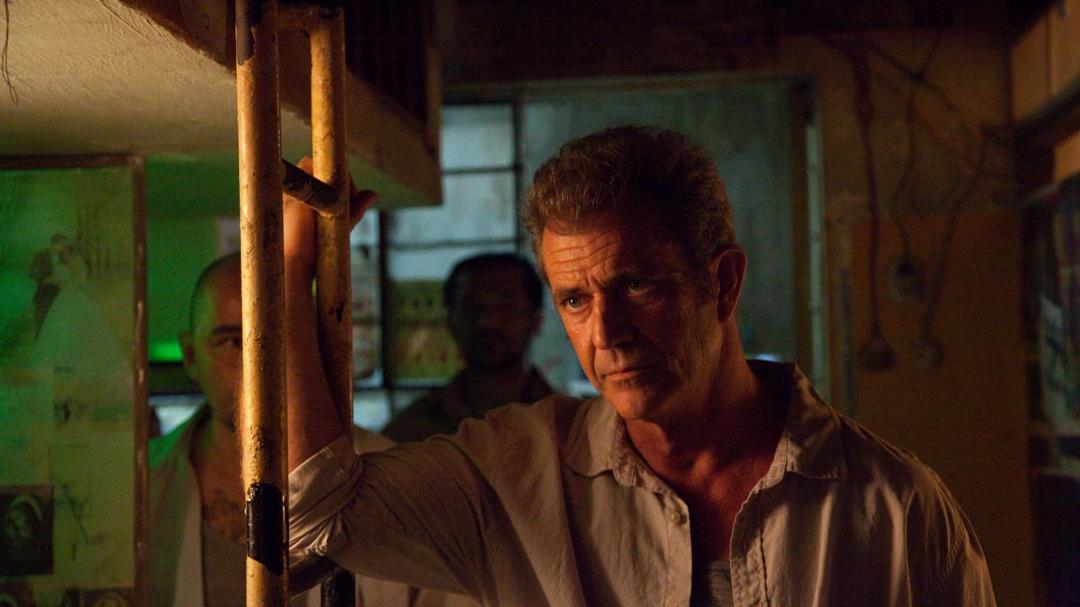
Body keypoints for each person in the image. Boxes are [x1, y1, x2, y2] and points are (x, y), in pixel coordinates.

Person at [285, 127, 996, 606]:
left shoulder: (892, 507)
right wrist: (287, 277)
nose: (607, 333)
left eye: (635, 285)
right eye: (575, 299)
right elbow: (315, 515)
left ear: (723, 283)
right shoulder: (518, 473)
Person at [147, 252, 413, 606]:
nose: (258, 363)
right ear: (191, 356)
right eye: (233, 342)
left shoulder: (390, 479)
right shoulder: (142, 485)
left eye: (279, 338)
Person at [383, 253, 554, 442]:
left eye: (506, 307)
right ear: (449, 319)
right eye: (472, 307)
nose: (488, 322)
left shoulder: (564, 423)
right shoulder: (412, 430)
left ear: (536, 320)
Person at [28, 233, 68, 338]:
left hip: (60, 297)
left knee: (56, 328)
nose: (63, 247)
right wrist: (44, 278)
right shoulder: (41, 255)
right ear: (53, 243)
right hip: (44, 295)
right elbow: (32, 272)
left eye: (64, 245)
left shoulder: (64, 257)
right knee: (41, 326)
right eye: (61, 244)